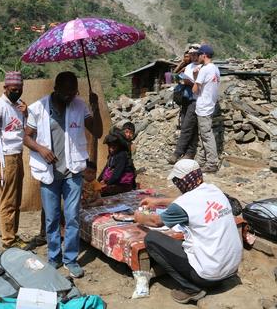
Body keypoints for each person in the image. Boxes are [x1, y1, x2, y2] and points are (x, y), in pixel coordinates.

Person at [24, 71, 103, 278]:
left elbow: (97, 132)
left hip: (72, 171)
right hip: (49, 173)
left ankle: (70, 259)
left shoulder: (79, 105)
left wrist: (96, 107)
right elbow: (26, 137)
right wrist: (41, 149)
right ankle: (54, 257)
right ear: (56, 89)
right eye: (67, 92)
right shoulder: (38, 108)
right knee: (52, 218)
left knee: (72, 217)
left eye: (74, 91)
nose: (71, 96)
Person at [135, 159, 242, 304]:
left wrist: (138, 217)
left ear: (183, 181)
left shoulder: (186, 202)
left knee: (152, 238)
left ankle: (192, 288)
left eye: (176, 181)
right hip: (231, 269)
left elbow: (155, 222)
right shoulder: (214, 190)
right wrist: (157, 201)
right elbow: (186, 200)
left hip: (208, 275)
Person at [0, 71, 28, 249]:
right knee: (8, 200)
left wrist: (27, 114)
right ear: (5, 88)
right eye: (14, 89)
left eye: (20, 89)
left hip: (18, 156)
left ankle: (13, 234)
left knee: (16, 199)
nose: (17, 92)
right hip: (5, 158)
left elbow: (24, 132)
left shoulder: (19, 107)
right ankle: (8, 240)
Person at [168, 44, 201, 164]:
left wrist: (190, 83)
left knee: (187, 126)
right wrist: (181, 80)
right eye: (191, 54)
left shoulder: (202, 68)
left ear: (200, 54)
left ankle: (177, 153)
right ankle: (189, 153)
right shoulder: (189, 66)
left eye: (194, 54)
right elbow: (179, 75)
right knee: (188, 125)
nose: (192, 56)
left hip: (195, 99)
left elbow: (201, 88)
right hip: (185, 99)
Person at [192, 44, 220, 172]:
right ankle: (201, 160)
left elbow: (195, 90)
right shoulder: (215, 69)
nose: (197, 57)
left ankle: (212, 163)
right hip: (210, 105)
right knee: (204, 134)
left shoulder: (204, 69)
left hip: (203, 106)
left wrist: (195, 76)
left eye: (199, 55)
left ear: (204, 55)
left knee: (207, 135)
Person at [98, 132, 136, 196]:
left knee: (102, 192)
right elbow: (106, 168)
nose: (111, 149)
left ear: (119, 146)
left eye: (114, 146)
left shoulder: (122, 155)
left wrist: (107, 184)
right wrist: (98, 181)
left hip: (124, 184)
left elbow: (117, 174)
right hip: (114, 181)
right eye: (110, 146)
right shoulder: (112, 156)